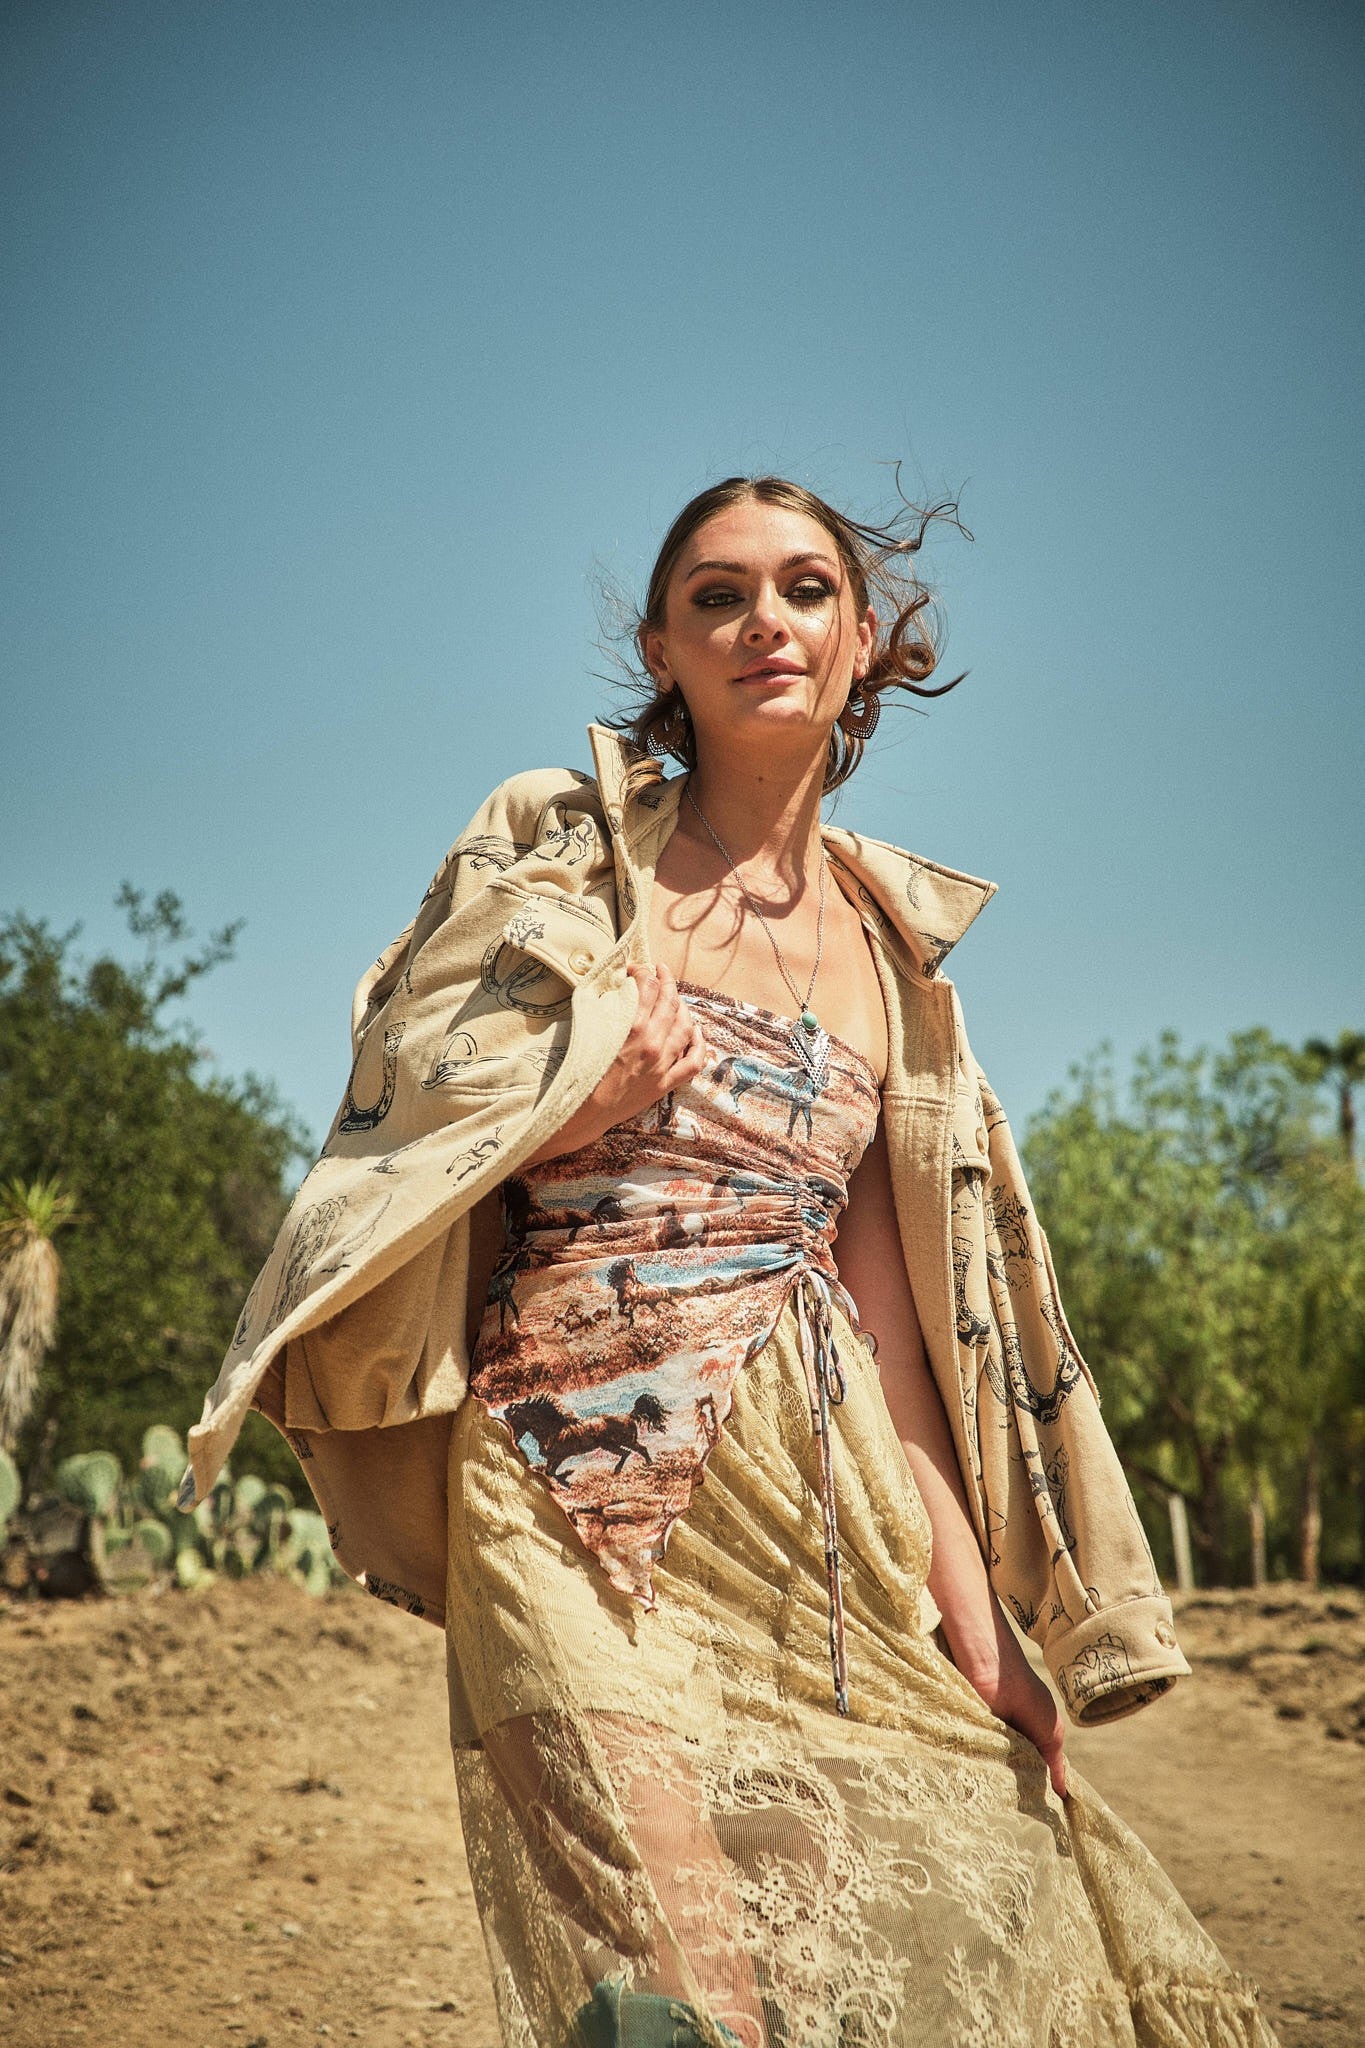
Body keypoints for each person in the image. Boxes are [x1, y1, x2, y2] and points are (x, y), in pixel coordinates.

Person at [182, 477, 1281, 2047]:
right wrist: (573, 1103)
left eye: (804, 589)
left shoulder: (894, 959)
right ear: (662, 647)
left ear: (862, 640)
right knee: (676, 1972)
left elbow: (899, 1342)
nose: (764, 620)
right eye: (716, 595)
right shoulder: (559, 866)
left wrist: (986, 1636)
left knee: (902, 1938)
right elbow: (403, 1092)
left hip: (808, 1508)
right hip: (558, 1472)